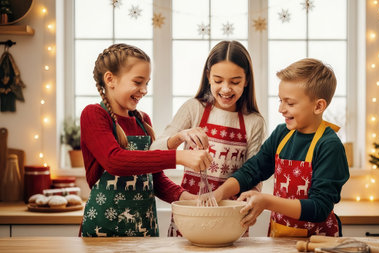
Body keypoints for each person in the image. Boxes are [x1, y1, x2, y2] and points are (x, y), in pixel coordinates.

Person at [79, 43, 212, 237]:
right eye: (138, 82)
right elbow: (115, 161)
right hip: (103, 234)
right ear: (110, 79)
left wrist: (192, 199)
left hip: (144, 230)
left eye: (147, 83)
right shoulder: (94, 114)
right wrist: (178, 157)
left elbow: (155, 180)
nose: (144, 90)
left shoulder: (143, 121)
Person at [213, 58, 350, 237]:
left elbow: (319, 207)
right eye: (280, 101)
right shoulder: (282, 134)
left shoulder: (329, 146)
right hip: (280, 236)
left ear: (318, 106)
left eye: (290, 103)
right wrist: (220, 193)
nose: (281, 109)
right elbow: (253, 170)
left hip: (318, 242)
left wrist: (267, 202)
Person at [151, 40, 266, 237]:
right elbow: (154, 151)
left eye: (235, 82)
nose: (226, 89)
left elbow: (254, 173)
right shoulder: (194, 108)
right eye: (218, 80)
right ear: (208, 77)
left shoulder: (254, 122)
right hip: (190, 216)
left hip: (230, 217)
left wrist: (252, 198)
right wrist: (180, 136)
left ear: (247, 80)